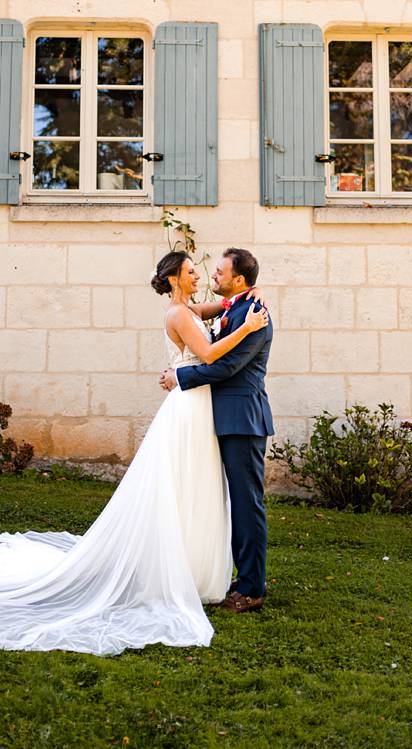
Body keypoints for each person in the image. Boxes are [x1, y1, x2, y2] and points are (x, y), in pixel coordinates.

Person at [0, 250, 268, 655]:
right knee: (183, 487)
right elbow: (214, 355)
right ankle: (188, 572)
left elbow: (220, 314)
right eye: (194, 271)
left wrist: (236, 313)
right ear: (176, 279)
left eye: (213, 272)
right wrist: (240, 327)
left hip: (204, 409)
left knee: (198, 489)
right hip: (190, 409)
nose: (203, 275)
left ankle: (210, 574)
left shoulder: (198, 307)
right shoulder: (181, 314)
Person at [159, 246, 274, 613]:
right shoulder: (235, 306)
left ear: (238, 279)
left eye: (221, 273)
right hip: (220, 418)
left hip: (242, 419)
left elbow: (225, 368)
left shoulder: (255, 314)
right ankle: (244, 576)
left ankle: (252, 588)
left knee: (246, 504)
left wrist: (179, 376)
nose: (213, 277)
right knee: (230, 501)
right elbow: (188, 311)